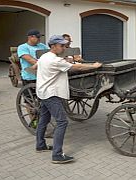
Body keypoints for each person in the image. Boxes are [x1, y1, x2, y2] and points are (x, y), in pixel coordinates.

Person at [35, 35, 102, 164]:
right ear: (53, 46)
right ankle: (57, 155)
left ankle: (40, 145)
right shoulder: (55, 60)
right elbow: (77, 67)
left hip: (43, 92)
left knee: (43, 119)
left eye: (65, 45)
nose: (64, 48)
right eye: (62, 46)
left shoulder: (44, 57)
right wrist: (94, 66)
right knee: (62, 122)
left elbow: (37, 67)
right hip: (51, 94)